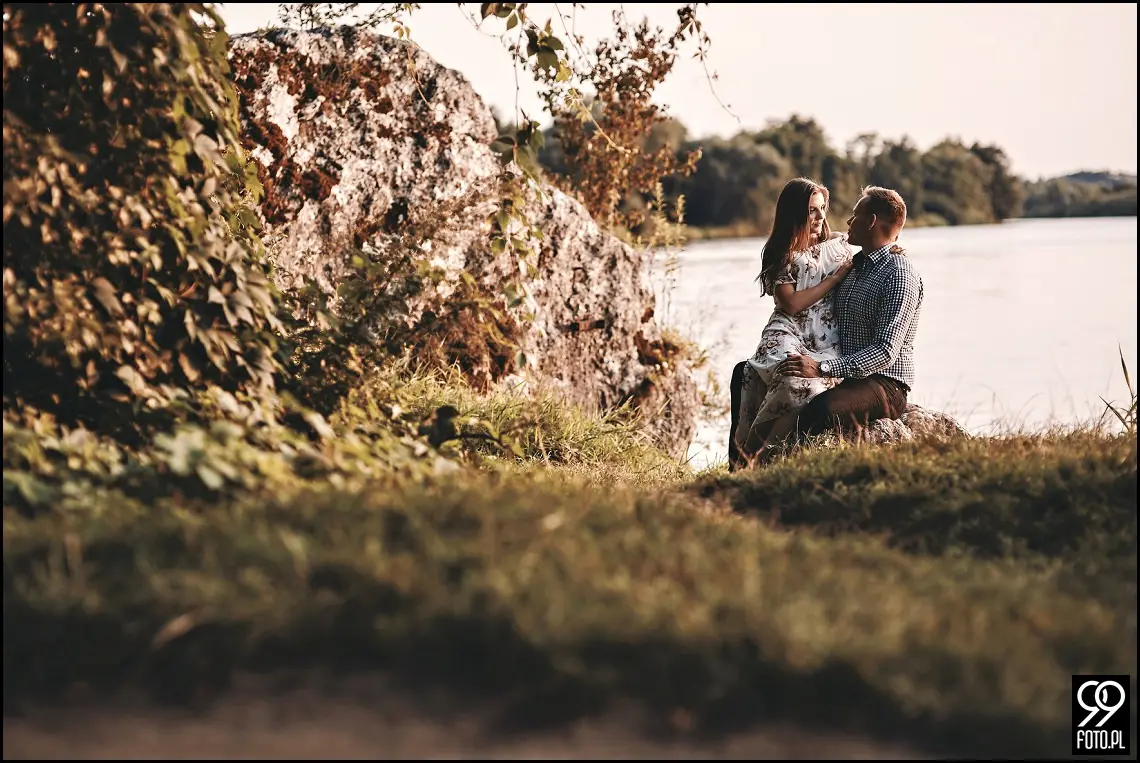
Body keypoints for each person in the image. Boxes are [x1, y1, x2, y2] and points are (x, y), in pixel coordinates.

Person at [777, 185, 923, 443]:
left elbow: (885, 351)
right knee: (745, 373)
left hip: (885, 385)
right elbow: (811, 255)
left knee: (815, 412)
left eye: (855, 216)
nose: (848, 221)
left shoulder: (899, 275)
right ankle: (740, 466)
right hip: (847, 376)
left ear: (872, 222)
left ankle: (793, 473)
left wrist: (822, 368)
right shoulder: (852, 265)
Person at [730, 177, 856, 468]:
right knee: (790, 380)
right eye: (812, 210)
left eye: (822, 208)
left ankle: (755, 459)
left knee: (807, 388)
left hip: (825, 337)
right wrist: (835, 279)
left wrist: (893, 250)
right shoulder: (781, 251)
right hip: (787, 330)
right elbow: (791, 303)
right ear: (795, 213)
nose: (820, 216)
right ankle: (748, 457)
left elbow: (870, 251)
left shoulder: (838, 245)